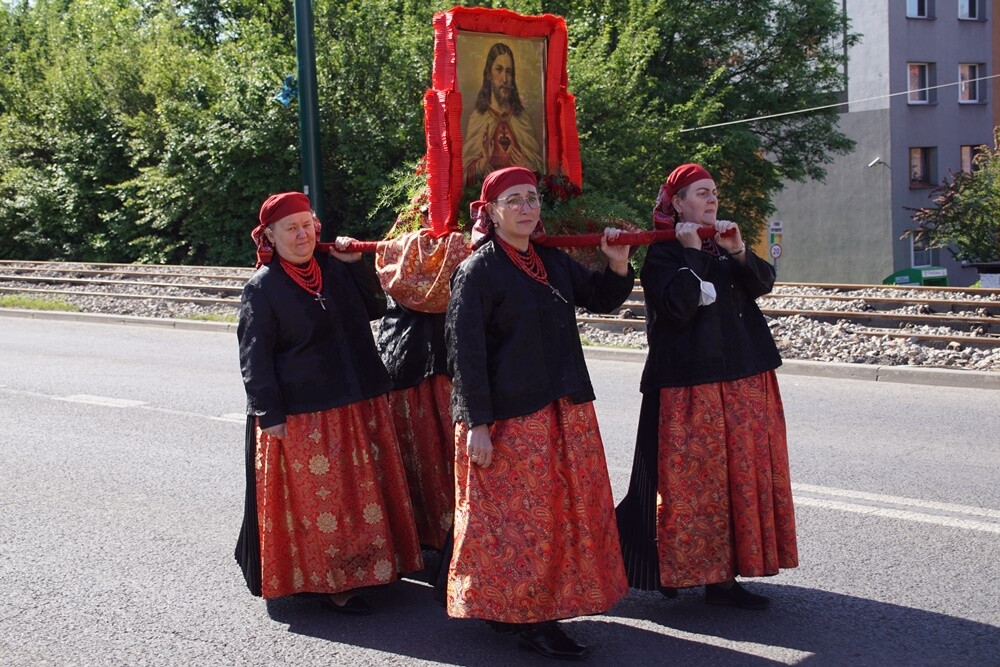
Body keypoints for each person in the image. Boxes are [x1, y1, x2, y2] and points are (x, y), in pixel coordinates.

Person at [445, 167, 631, 660]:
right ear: (491, 211)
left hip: (563, 408)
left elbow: (601, 299)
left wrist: (616, 264)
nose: (527, 208)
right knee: (521, 524)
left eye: (532, 198)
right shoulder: (477, 271)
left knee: (558, 516)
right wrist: (477, 424)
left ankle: (541, 607)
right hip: (511, 418)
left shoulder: (550, 259)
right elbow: (465, 356)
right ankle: (530, 618)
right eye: (514, 200)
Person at [615, 163, 798, 610]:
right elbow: (677, 307)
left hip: (743, 377)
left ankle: (724, 579)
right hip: (689, 387)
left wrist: (737, 251)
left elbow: (763, 284)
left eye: (714, 191)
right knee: (691, 487)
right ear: (677, 204)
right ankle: (677, 568)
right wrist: (692, 251)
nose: (712, 199)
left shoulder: (724, 243)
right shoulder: (662, 252)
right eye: (701, 193)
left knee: (738, 480)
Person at [234, 191, 422, 614]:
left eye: (307, 225)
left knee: (364, 494)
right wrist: (270, 414)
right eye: (291, 228)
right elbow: (254, 359)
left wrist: (357, 268)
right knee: (328, 504)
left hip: (360, 399)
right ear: (269, 235)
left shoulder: (334, 272)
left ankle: (375, 567)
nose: (302, 235)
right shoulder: (262, 290)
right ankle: (336, 582)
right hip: (307, 413)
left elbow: (376, 308)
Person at [462, 42, 544, 186]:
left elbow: (543, 169)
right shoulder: (479, 118)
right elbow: (463, 174)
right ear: (489, 74)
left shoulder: (522, 119)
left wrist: (530, 166)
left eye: (509, 72)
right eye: (499, 70)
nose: (504, 79)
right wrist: (482, 163)